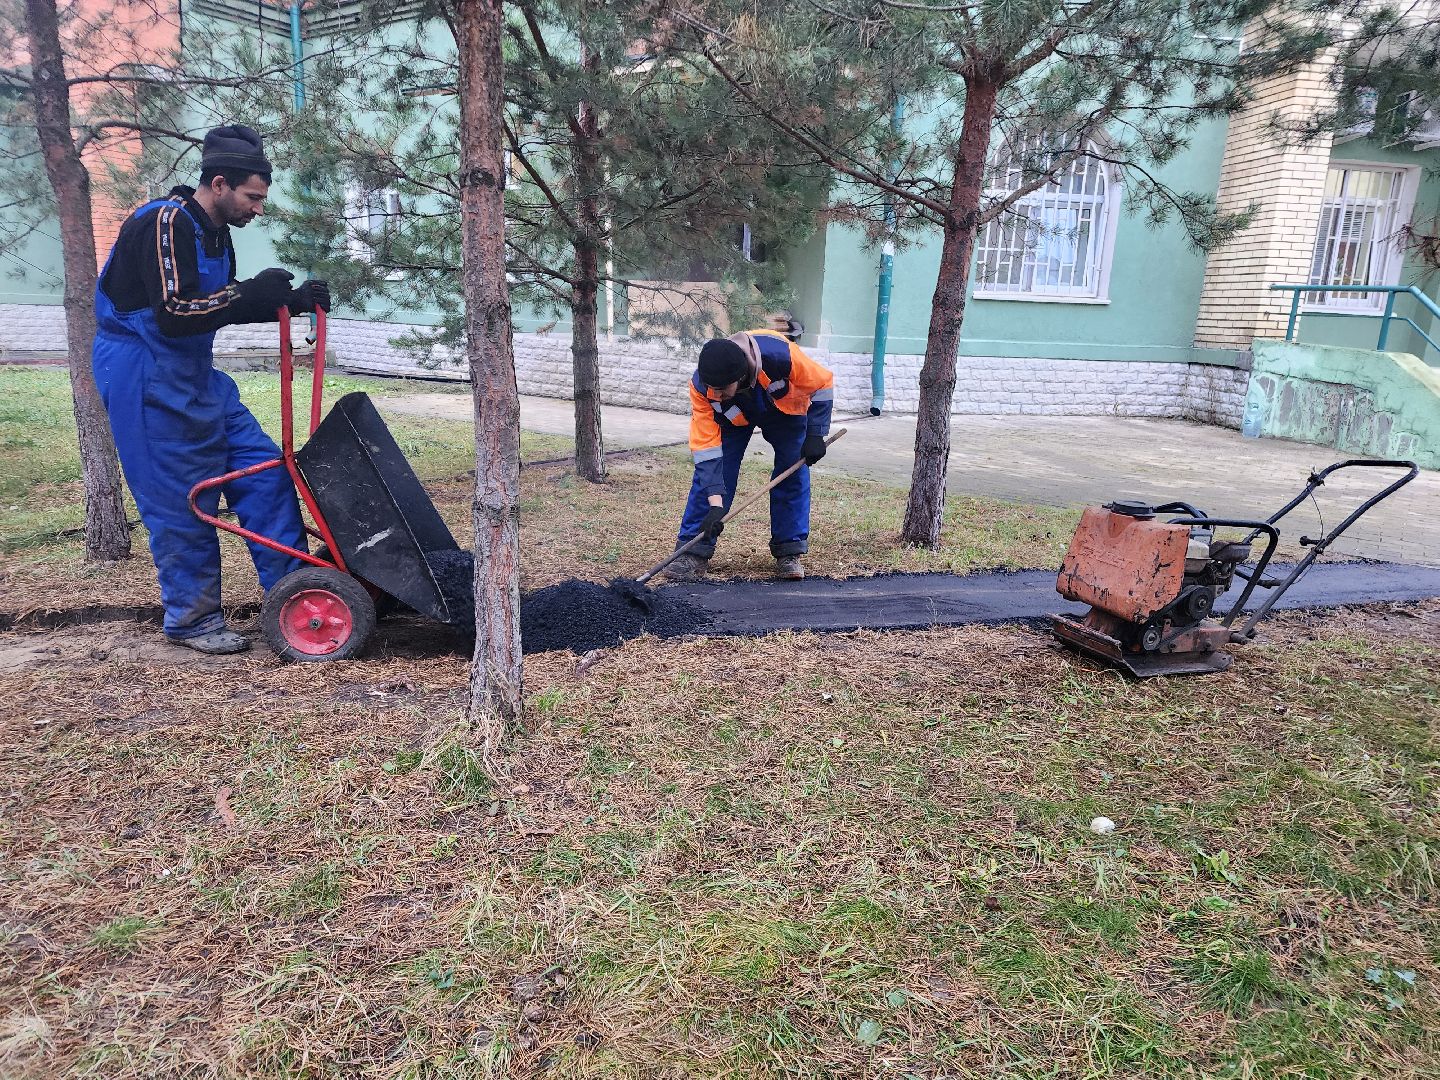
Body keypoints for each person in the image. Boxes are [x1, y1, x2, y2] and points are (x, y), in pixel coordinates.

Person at [91, 124, 330, 655]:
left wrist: (284, 303)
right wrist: (248, 296)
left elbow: (214, 309)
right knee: (181, 502)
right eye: (252, 197)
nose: (258, 209)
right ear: (218, 184)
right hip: (143, 373)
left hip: (196, 374)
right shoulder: (164, 221)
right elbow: (175, 312)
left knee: (267, 472)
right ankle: (192, 619)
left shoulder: (216, 232)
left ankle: (298, 598)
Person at [669, 328, 834, 581]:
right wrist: (715, 504)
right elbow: (706, 449)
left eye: (722, 388)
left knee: (792, 471)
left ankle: (789, 551)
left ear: (741, 374)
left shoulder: (782, 356)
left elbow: (823, 383)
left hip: (784, 411)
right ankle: (693, 551)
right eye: (712, 388)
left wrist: (815, 433)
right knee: (717, 472)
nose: (716, 394)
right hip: (733, 417)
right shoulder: (703, 387)